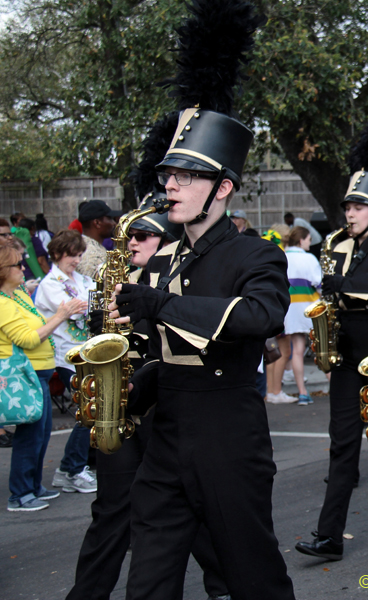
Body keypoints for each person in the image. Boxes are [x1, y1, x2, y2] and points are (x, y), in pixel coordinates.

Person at [107, 3, 295, 598]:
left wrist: (157, 306)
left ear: (224, 188)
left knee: (250, 579)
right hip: (167, 432)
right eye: (169, 175)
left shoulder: (255, 254)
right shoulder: (165, 254)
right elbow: (155, 337)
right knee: (149, 580)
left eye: (187, 176)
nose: (171, 186)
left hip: (228, 433)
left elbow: (261, 317)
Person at [66, 174, 229, 599]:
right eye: (130, 236)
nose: (134, 243)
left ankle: (225, 584)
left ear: (167, 243)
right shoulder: (111, 282)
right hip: (120, 414)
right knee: (111, 514)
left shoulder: (182, 283)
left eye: (143, 235)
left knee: (190, 510)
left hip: (165, 413)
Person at [296, 110, 368, 562]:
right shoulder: (338, 246)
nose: (349, 213)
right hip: (346, 355)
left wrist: (343, 287)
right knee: (341, 446)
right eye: (347, 207)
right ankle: (329, 535)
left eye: (358, 207)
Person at [2, 239, 87, 511]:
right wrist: (61, 315)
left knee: (40, 436)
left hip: (40, 371)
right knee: (29, 437)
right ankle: (21, 494)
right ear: (3, 270)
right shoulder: (4, 302)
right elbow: (27, 338)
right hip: (27, 372)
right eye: (17, 264)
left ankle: (34, 486)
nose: (23, 268)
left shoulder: (18, 295)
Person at [33, 230, 97, 494]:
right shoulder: (50, 284)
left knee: (93, 410)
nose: (77, 259)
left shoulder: (81, 278)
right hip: (66, 357)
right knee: (87, 411)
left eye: (80, 254)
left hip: (88, 351)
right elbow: (77, 308)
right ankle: (70, 469)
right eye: (72, 254)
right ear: (57, 254)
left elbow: (95, 302)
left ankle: (78, 466)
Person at [281, 225, 320, 405]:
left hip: (290, 309)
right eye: (309, 240)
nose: (310, 243)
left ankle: (303, 393)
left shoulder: (283, 257)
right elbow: (319, 283)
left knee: (297, 351)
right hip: (311, 307)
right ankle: (335, 388)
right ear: (301, 239)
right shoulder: (309, 258)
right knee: (322, 349)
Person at [76, 200, 120, 279]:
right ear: (97, 223)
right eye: (110, 219)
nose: (114, 223)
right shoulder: (93, 255)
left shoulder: (79, 245)